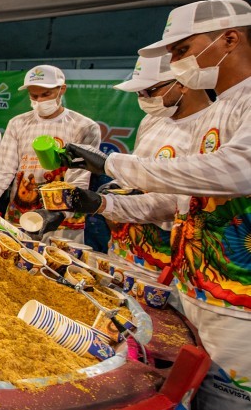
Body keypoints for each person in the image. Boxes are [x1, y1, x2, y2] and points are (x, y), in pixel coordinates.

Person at [64, 0, 251, 410]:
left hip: (241, 304)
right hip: (192, 286)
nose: (179, 63)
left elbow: (238, 170)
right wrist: (102, 202)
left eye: (184, 50)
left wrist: (115, 167)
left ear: (229, 38)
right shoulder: (221, 107)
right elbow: (173, 201)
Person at [68, 54, 212, 270]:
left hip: (164, 256)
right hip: (123, 245)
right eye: (138, 92)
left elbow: (178, 201)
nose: (143, 98)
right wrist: (114, 189)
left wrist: (105, 204)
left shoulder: (208, 129)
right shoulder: (153, 120)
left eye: (150, 91)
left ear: (182, 84)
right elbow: (137, 168)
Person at [0, 64, 100, 241]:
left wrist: (60, 214)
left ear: (62, 89)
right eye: (34, 95)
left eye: (46, 94)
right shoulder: (18, 124)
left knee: (56, 264)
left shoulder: (84, 127)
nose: (39, 101)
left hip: (62, 225)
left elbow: (79, 178)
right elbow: (2, 172)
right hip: (19, 218)